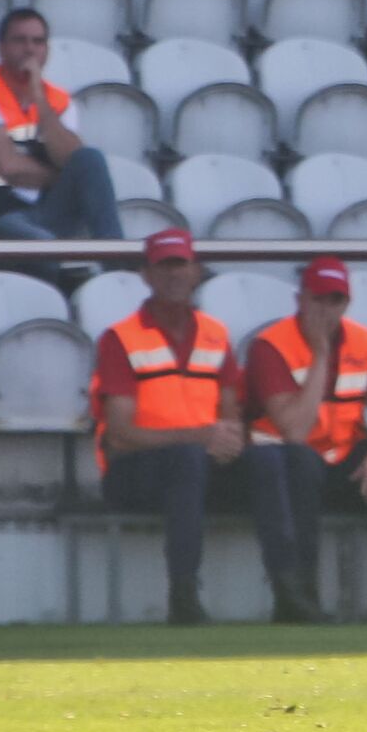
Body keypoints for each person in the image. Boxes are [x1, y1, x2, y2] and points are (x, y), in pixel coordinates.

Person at [246, 255, 367, 623]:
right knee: (300, 464)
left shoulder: (362, 341)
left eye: (336, 300)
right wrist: (320, 356)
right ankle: (301, 597)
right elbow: (295, 432)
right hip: (283, 466)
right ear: (300, 299)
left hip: (344, 458)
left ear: (346, 304)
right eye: (318, 299)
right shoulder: (271, 345)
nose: (327, 310)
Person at [88, 229, 250, 626]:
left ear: (196, 271)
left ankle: (293, 592)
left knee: (278, 463)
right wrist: (201, 438)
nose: (174, 276)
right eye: (164, 267)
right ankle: (183, 594)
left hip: (199, 463)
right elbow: (120, 434)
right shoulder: (120, 339)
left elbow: (230, 413)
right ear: (146, 275)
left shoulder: (215, 334)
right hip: (133, 473)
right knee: (187, 462)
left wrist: (230, 439)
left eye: (181, 265)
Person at [0, 8, 123, 246]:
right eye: (20, 40)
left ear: (47, 50)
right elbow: (10, 168)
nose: (29, 49)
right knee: (41, 241)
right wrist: (66, 179)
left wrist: (38, 96)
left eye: (38, 42)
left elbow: (72, 159)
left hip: (43, 211)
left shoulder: (57, 99)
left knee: (90, 159)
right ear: (0, 48)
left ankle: (116, 254)